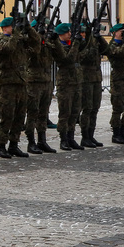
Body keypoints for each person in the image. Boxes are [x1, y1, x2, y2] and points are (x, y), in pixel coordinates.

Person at [0, 16, 38, 158]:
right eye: (12, 26)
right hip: (8, 85)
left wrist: (28, 28)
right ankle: (1, 146)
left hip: (21, 84)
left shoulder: (19, 40)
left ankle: (14, 144)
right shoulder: (2, 40)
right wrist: (15, 34)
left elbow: (36, 44)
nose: (15, 28)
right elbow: (7, 49)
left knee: (20, 117)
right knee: (7, 117)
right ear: (5, 28)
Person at [23, 20, 56, 154]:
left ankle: (42, 141)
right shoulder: (29, 44)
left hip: (46, 82)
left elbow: (56, 54)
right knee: (32, 113)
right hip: (34, 82)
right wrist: (35, 35)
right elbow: (35, 52)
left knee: (43, 114)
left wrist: (54, 39)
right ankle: (31, 142)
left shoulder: (45, 44)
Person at [49, 22, 83, 151]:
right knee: (65, 112)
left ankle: (71, 138)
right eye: (67, 32)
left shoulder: (71, 44)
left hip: (76, 82)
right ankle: (63, 139)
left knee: (74, 112)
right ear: (61, 34)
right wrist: (76, 43)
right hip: (65, 84)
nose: (70, 34)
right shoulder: (58, 46)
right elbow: (68, 59)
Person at [78, 24, 109, 148]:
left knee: (95, 108)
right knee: (87, 108)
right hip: (86, 79)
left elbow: (107, 50)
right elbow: (85, 56)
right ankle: (85, 136)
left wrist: (99, 38)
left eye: (86, 33)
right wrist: (90, 41)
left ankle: (91, 135)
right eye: (83, 32)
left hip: (96, 79)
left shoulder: (94, 41)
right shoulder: (80, 43)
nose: (84, 35)